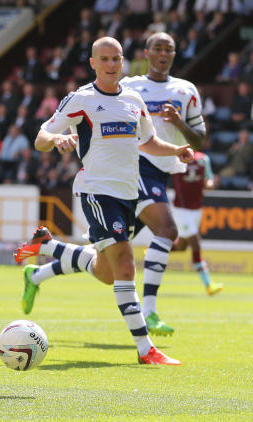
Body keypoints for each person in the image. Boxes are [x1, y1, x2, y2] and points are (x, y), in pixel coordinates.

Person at [15, 36, 192, 365]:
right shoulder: (80, 99)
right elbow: (41, 137)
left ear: (123, 61)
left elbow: (149, 142)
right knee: (126, 264)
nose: (112, 65)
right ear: (93, 63)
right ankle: (145, 349)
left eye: (117, 59)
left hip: (128, 193)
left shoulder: (134, 99)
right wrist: (57, 139)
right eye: (105, 59)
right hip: (96, 191)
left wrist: (177, 150)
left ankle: (47, 248)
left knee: (108, 272)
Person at [119, 32, 207, 336]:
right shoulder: (129, 86)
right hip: (135, 168)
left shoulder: (186, 91)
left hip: (162, 172)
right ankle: (150, 312)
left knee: (106, 260)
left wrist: (178, 123)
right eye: (158, 47)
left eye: (169, 48)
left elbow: (199, 138)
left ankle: (40, 269)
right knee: (168, 230)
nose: (163, 53)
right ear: (147, 52)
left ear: (174, 54)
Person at [170, 151, 224, 295]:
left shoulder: (203, 159)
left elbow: (209, 179)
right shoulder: (176, 155)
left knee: (181, 246)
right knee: (195, 242)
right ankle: (208, 284)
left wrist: (211, 183)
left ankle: (154, 249)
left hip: (196, 209)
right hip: (181, 209)